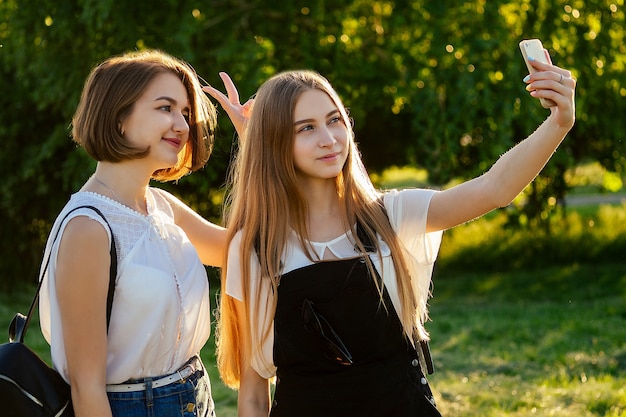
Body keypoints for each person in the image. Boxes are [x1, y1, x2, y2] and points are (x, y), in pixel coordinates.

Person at [210, 55, 576, 416]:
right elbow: (255, 391)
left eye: (334, 120)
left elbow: (494, 189)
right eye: (305, 128)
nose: (329, 139)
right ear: (274, 142)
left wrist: (558, 122)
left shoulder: (390, 216)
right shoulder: (258, 246)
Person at [38, 49, 232, 417]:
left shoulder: (161, 206)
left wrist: (256, 143)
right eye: (165, 108)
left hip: (194, 397)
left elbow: (242, 248)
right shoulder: (89, 226)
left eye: (186, 113)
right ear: (119, 116)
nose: (182, 124)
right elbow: (86, 387)